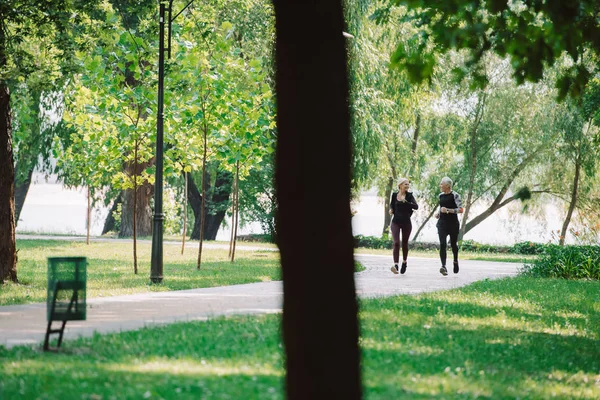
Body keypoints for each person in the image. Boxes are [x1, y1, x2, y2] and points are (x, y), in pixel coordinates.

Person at [435, 176, 464, 276]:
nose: (440, 185)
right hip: (442, 224)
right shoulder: (440, 196)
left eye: (441, 184)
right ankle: (443, 266)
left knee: (453, 245)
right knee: (442, 244)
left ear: (447, 185)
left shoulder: (455, 195)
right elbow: (441, 208)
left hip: (453, 224)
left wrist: (448, 210)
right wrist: (438, 213)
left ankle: (455, 260)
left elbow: (461, 210)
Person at [389, 178, 418, 274]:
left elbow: (416, 206)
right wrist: (391, 209)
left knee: (404, 243)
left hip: (406, 223)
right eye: (405, 184)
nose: (407, 186)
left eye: (408, 184)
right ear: (400, 185)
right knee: (396, 243)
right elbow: (392, 205)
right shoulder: (394, 195)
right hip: (395, 222)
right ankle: (396, 265)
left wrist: (405, 201)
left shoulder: (409, 196)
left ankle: (404, 262)